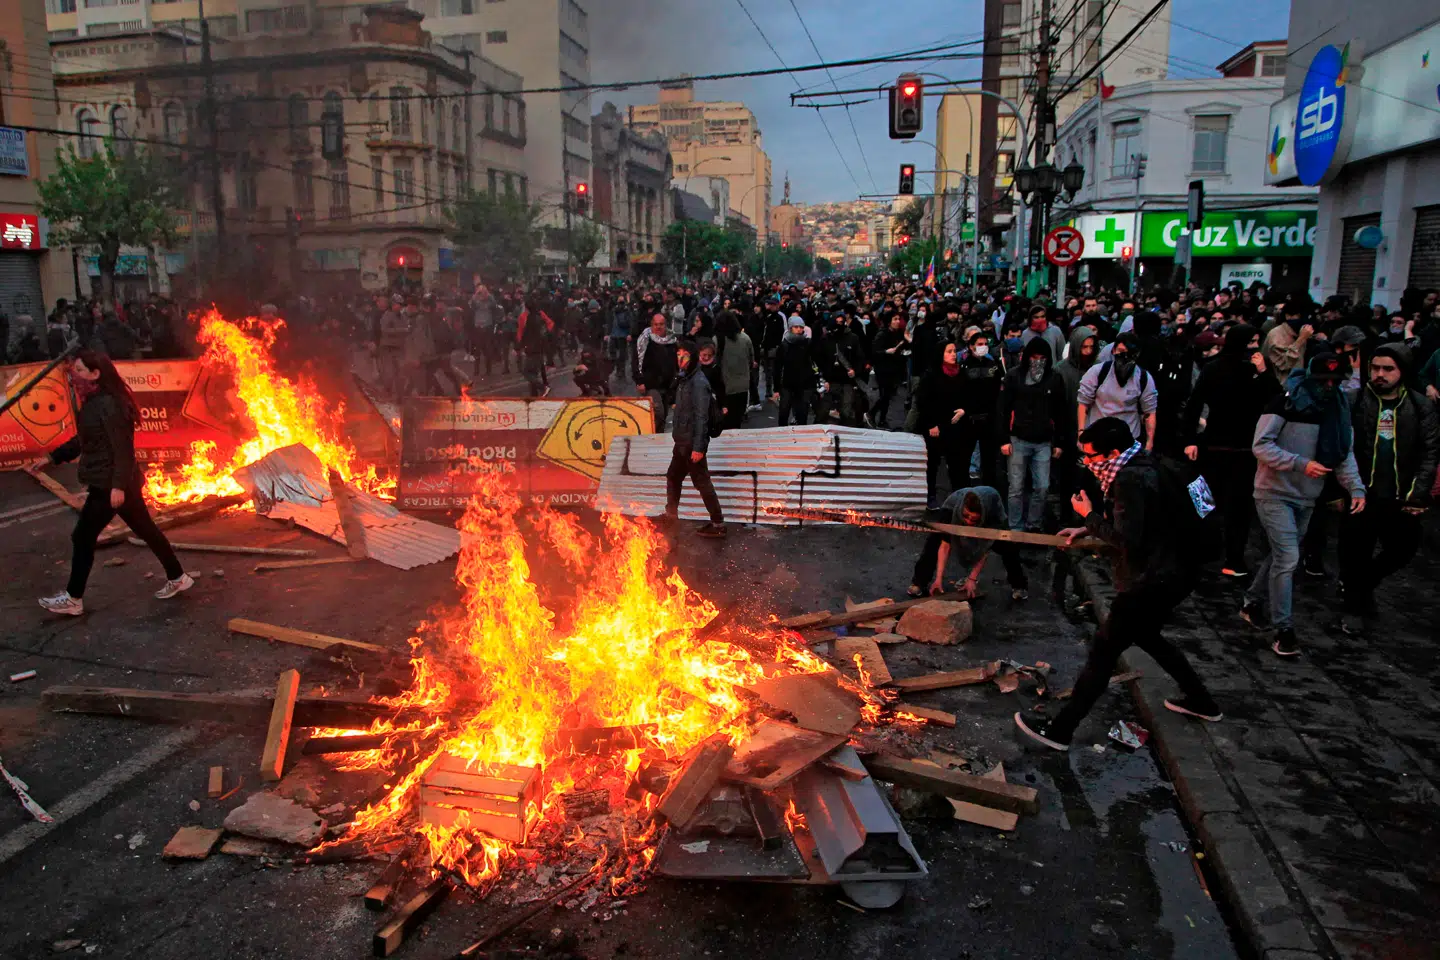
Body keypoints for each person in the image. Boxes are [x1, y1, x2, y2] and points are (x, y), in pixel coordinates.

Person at [1015, 417, 1222, 751]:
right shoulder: (1151, 461)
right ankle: (1202, 701)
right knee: (1150, 638)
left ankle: (1060, 730)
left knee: (1103, 653)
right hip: (1179, 574)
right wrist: (1090, 530)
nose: (1089, 464)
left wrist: (1088, 515)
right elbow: (1147, 520)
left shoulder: (1128, 480)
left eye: (1092, 457)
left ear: (1113, 452)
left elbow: (1128, 540)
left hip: (1150, 582)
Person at [35, 351, 192, 616]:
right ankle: (178, 577)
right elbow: (84, 441)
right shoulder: (95, 403)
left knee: (83, 536)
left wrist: (118, 486)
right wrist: (51, 457)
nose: (75, 376)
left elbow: (122, 449)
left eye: (81, 371)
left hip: (110, 483)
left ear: (96, 374)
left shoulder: (108, 405)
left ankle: (74, 599)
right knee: (146, 530)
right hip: (115, 482)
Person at [1242, 353, 1366, 657]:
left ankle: (1251, 602)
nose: (1327, 386)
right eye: (1322, 380)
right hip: (1273, 491)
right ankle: (1283, 629)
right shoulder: (1284, 403)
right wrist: (1300, 464)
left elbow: (1343, 451)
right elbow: (1261, 445)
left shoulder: (1338, 409)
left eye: (1333, 382)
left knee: (1281, 555)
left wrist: (1356, 487)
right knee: (1288, 557)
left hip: (1307, 496)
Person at [1338, 345, 1439, 635]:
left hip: (1401, 495)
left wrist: (1417, 493)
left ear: (1402, 371)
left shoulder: (1420, 406)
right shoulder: (1355, 401)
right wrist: (1340, 490)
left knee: (1403, 548)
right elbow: (1339, 447)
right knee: (1355, 552)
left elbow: (1429, 452)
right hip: (1360, 493)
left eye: (1388, 369)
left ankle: (1361, 587)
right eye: (1375, 368)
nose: (1380, 375)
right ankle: (1353, 607)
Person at [1181, 324, 1280, 577]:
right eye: (1251, 343)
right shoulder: (1224, 370)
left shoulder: (1247, 371)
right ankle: (1206, 553)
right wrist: (1190, 439)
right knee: (1209, 502)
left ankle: (1224, 557)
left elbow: (1275, 399)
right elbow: (1195, 403)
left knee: (1231, 506)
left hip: (1239, 449)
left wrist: (1263, 373)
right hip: (1222, 447)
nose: (1255, 349)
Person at [909, 485, 1030, 602]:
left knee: (1008, 547)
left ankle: (1019, 585)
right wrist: (938, 579)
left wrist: (972, 579)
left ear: (980, 517)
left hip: (992, 506)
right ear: (962, 509)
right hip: (953, 506)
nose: (968, 521)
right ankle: (919, 582)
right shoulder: (950, 511)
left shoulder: (991, 514)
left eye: (973, 519)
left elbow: (984, 548)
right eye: (966, 516)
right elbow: (945, 545)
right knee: (933, 542)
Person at [999, 338, 1068, 532]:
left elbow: (1060, 411)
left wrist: (1059, 442)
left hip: (1043, 442)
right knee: (1016, 488)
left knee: (1042, 487)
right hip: (1018, 439)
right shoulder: (1014, 376)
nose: (1038, 361)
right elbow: (1003, 408)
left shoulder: (1054, 378)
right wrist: (1004, 439)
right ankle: (1015, 527)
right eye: (1034, 357)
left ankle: (1033, 525)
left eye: (1042, 357)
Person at [663, 339, 726, 538]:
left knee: (701, 482)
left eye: (685, 355)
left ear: (693, 358)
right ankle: (671, 514)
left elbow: (701, 417)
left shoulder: (698, 382)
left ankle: (718, 524)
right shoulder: (684, 378)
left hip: (691, 444)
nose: (681, 359)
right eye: (678, 355)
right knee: (674, 476)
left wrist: (699, 447)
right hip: (682, 441)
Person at [1077, 333, 1158, 452]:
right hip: (1098, 439)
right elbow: (1083, 404)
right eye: (1121, 351)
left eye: (1130, 353)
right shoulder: (1097, 372)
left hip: (1128, 441)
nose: (1125, 357)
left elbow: (1150, 412)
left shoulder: (1144, 378)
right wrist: (1081, 433)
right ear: (1114, 350)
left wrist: (1149, 443)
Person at [916, 341, 971, 506]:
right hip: (935, 427)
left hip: (955, 426)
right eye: (949, 351)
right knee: (932, 464)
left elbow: (970, 395)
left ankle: (957, 499)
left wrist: (964, 409)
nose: (953, 354)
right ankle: (930, 496)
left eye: (954, 351)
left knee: (956, 464)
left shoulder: (961, 373)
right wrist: (931, 424)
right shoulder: (931, 375)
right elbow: (923, 401)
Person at [634, 311, 679, 430]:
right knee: (658, 412)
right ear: (651, 325)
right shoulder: (645, 340)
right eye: (656, 324)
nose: (658, 327)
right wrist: (639, 381)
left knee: (663, 415)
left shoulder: (672, 341)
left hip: (667, 384)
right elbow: (636, 361)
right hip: (650, 384)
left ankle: (658, 440)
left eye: (661, 324)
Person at [772, 314, 816, 427]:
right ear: (790, 328)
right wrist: (776, 388)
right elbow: (777, 367)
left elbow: (813, 362)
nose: (799, 329)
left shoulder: (808, 343)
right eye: (796, 327)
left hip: (803, 384)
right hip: (787, 383)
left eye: (801, 327)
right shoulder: (784, 345)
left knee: (802, 415)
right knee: (784, 413)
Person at [717, 312, 755, 430]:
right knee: (737, 420)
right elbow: (751, 360)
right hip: (742, 385)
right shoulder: (745, 338)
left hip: (725, 387)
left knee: (725, 422)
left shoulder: (718, 339)